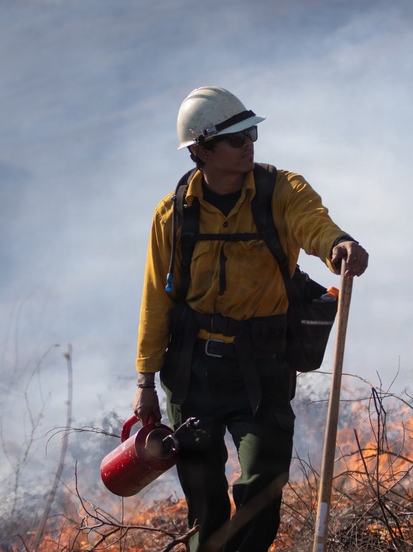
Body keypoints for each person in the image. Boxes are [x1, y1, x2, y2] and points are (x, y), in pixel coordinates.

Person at [132, 87, 369, 552]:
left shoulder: (282, 192)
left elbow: (313, 223)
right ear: (200, 150)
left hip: (262, 366)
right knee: (205, 503)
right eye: (235, 137)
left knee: (263, 482)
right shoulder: (173, 214)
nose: (248, 144)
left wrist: (337, 244)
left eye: (251, 132)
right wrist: (144, 380)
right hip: (191, 371)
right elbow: (155, 301)